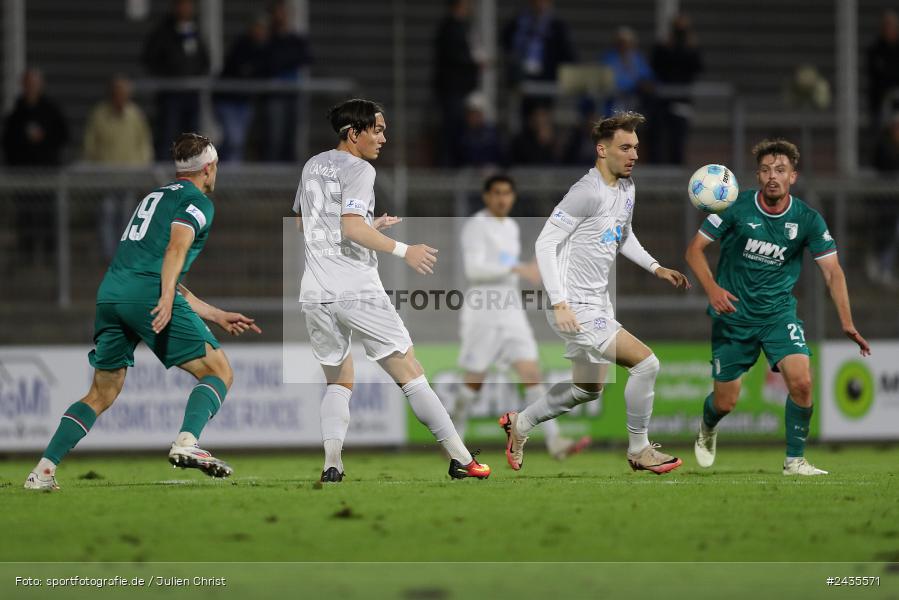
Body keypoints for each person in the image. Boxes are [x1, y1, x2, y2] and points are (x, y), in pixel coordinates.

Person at [24, 133, 262, 490]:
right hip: (147, 294)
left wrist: (214, 314)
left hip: (111, 294)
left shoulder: (154, 197)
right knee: (219, 371)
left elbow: (152, 266)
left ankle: (43, 470)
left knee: (102, 393)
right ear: (209, 168)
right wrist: (164, 297)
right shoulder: (197, 202)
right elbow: (175, 250)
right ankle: (187, 442)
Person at [294, 98, 490, 483]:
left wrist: (370, 226)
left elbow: (306, 225)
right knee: (410, 371)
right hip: (354, 288)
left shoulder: (312, 164)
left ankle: (332, 463)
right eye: (378, 130)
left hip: (315, 291)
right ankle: (462, 459)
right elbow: (351, 228)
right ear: (355, 133)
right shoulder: (360, 169)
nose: (384, 138)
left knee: (339, 380)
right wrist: (404, 250)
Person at [499, 111, 690, 474]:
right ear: (602, 150)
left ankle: (520, 423)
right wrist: (560, 304)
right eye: (625, 148)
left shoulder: (627, 188)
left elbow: (623, 235)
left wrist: (656, 267)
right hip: (573, 305)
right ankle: (639, 449)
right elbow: (545, 243)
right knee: (646, 364)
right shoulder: (586, 192)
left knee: (587, 388)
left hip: (597, 302)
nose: (634, 155)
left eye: (636, 147)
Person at [686, 139, 871, 476]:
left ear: (793, 176)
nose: (773, 176)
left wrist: (847, 322)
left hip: (778, 314)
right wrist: (712, 289)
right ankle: (708, 426)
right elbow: (694, 250)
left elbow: (833, 271)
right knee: (725, 402)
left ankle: (794, 460)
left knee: (802, 382)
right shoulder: (733, 206)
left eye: (781, 170)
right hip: (733, 315)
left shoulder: (807, 219)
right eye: (766, 170)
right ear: (758, 176)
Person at [453, 174, 590, 459]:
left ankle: (555, 441)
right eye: (496, 193)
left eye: (507, 193)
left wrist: (520, 268)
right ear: (486, 196)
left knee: (531, 373)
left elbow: (503, 258)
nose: (502, 198)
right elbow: (473, 270)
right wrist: (517, 268)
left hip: (511, 310)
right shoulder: (476, 226)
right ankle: (455, 436)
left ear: (513, 197)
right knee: (473, 381)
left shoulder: (511, 227)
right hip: (482, 311)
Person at [82, 75, 154, 260]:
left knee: (128, 214)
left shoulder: (135, 115)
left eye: (124, 94)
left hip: (130, 176)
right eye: (117, 93)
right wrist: (94, 168)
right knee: (107, 212)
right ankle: (108, 256)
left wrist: (142, 168)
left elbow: (144, 144)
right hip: (106, 176)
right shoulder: (99, 115)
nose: (121, 97)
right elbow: (90, 144)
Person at [2, 68, 69, 266]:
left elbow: (62, 136)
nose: (31, 88)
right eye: (28, 84)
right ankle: (27, 255)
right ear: (23, 86)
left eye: (34, 84)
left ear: (40, 85)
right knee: (25, 216)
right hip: (23, 174)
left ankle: (50, 256)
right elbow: (8, 142)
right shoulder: (17, 113)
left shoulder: (50, 110)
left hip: (47, 173)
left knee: (48, 215)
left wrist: (44, 141)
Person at [141, 0, 210, 160]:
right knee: (168, 136)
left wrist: (196, 77)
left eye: (188, 5)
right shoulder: (163, 31)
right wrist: (168, 76)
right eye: (182, 5)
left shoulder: (196, 31)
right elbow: (150, 58)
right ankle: (164, 172)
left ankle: (191, 172)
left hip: (191, 95)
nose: (185, 9)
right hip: (170, 96)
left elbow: (205, 60)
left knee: (192, 140)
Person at [215, 14, 270, 162]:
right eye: (258, 28)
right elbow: (241, 70)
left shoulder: (264, 49)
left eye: (264, 29)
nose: (261, 32)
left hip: (244, 101)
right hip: (227, 100)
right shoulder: (242, 46)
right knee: (234, 139)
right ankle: (216, 162)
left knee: (237, 143)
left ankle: (229, 167)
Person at [262, 0, 312, 162]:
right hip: (275, 94)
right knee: (275, 136)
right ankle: (271, 171)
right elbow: (270, 62)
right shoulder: (268, 39)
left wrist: (285, 59)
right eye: (278, 13)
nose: (281, 17)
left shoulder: (296, 39)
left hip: (293, 93)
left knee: (292, 135)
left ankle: (290, 172)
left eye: (284, 13)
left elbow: (306, 57)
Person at [432, 0, 481, 166]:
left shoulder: (462, 27)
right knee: (451, 128)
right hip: (452, 88)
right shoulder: (450, 28)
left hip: (459, 88)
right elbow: (453, 56)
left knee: (458, 127)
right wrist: (473, 62)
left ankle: (454, 163)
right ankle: (447, 165)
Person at [650, 14, 702, 165]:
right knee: (659, 138)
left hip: (682, 100)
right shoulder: (663, 48)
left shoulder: (691, 50)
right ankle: (658, 168)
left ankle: (677, 167)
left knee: (678, 139)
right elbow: (655, 65)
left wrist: (692, 49)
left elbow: (698, 67)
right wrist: (666, 47)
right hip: (663, 100)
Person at [866, 9, 899, 129]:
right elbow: (875, 75)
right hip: (880, 103)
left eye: (891, 26)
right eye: (886, 26)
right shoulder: (875, 50)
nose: (888, 29)